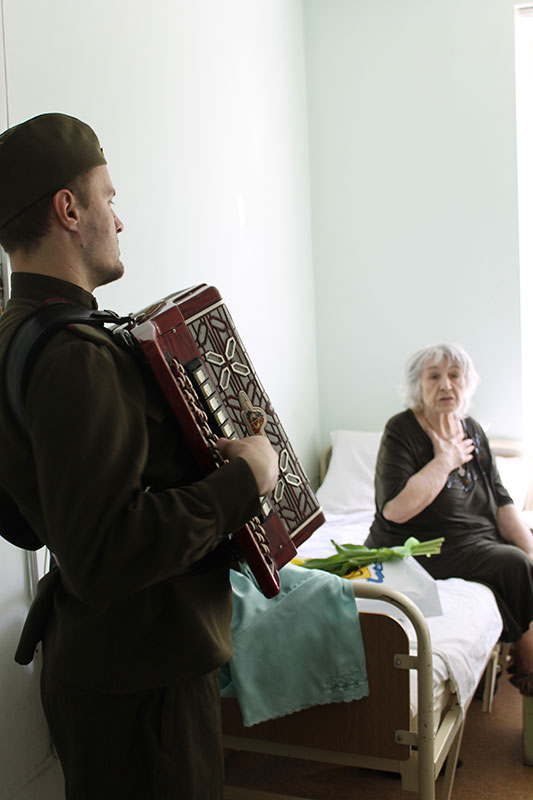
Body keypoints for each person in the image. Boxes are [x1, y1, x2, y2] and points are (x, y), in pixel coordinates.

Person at [0, 113, 279, 800]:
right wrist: (244, 479)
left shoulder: (15, 334)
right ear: (69, 210)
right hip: (141, 680)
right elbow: (105, 551)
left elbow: (29, 519)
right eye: (109, 198)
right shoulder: (74, 357)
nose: (119, 220)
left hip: (109, 667)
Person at [365, 343, 533, 696]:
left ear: (466, 383)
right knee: (514, 564)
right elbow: (394, 509)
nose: (446, 385)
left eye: (455, 375)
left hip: (475, 541)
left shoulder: (472, 429)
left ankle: (507, 660)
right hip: (420, 548)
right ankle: (527, 664)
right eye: (434, 376)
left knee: (524, 552)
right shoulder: (401, 429)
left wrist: (530, 547)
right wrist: (444, 461)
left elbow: (500, 499)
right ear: (418, 385)